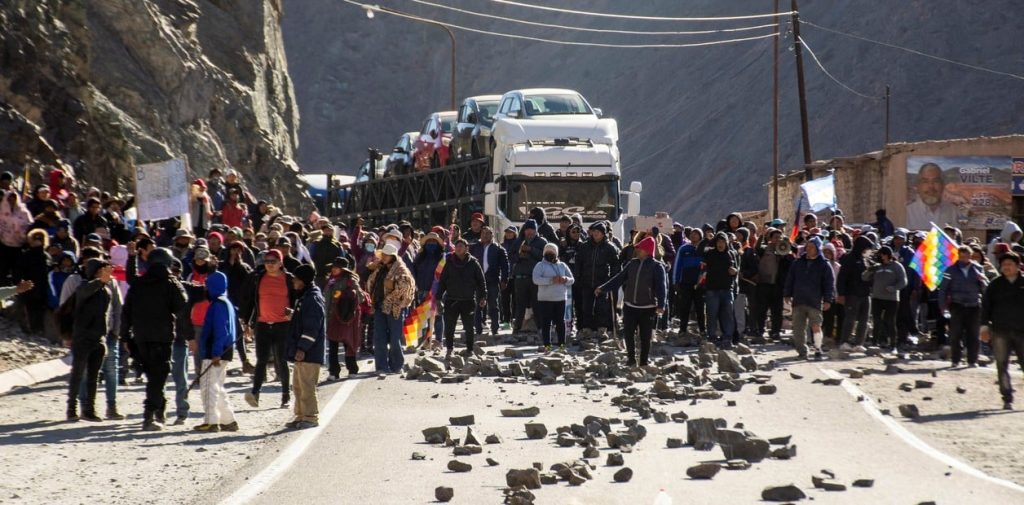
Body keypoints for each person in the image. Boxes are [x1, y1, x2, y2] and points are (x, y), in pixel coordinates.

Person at [123, 247, 188, 430]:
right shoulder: (170, 283)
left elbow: (126, 312)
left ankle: (159, 410)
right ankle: (149, 416)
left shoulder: (138, 283)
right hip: (162, 338)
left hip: (141, 338)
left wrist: (125, 336)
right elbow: (182, 306)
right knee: (158, 377)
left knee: (153, 376)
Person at [595, 236, 667, 366]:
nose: (637, 250)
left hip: (648, 307)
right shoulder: (632, 263)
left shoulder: (657, 266)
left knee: (645, 337)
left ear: (647, 250)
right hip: (629, 306)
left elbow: (662, 287)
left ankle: (644, 361)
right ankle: (631, 359)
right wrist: (603, 288)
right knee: (628, 334)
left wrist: (661, 305)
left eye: (640, 248)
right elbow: (619, 279)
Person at [241, 249, 296, 409]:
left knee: (282, 361)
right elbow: (250, 301)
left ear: (280, 263)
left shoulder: (289, 279)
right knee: (261, 360)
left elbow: (296, 300)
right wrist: (247, 323)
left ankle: (286, 395)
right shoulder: (258, 278)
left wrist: (293, 313)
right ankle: (255, 393)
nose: (270, 264)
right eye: (267, 261)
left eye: (273, 261)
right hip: (262, 324)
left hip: (282, 325)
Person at [65, 259, 114, 422]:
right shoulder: (84, 287)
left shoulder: (106, 290)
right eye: (101, 271)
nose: (105, 274)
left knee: (94, 377)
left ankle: (89, 410)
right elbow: (85, 292)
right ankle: (71, 408)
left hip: (99, 339)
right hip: (82, 338)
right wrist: (100, 281)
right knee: (77, 374)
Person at [191, 271, 239, 433]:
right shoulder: (226, 302)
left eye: (207, 285)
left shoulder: (218, 304)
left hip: (215, 352)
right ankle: (228, 420)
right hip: (225, 350)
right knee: (217, 386)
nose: (205, 288)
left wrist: (215, 352)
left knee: (208, 387)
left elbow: (221, 330)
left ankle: (211, 421)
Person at [980, 252, 1024, 410]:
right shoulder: (995, 285)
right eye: (1004, 265)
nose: (1006, 267)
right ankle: (1007, 397)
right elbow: (986, 307)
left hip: (1022, 331)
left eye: (1009, 264)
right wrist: (984, 326)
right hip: (1000, 331)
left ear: (1017, 266)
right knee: (1002, 365)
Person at [285, 264, 326, 429]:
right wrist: (294, 315)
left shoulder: (312, 298)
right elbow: (304, 320)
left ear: (303, 280)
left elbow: (312, 327)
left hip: (309, 352)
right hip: (302, 351)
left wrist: (302, 348)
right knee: (298, 385)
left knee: (307, 385)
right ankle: (300, 415)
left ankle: (310, 417)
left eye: (296, 278)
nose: (293, 281)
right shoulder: (305, 296)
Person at [366, 243, 416, 374]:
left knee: (395, 338)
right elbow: (372, 283)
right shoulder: (380, 268)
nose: (382, 257)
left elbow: (403, 289)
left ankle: (396, 365)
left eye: (385, 255)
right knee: (379, 337)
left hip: (394, 309)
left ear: (392, 256)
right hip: (378, 306)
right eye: (382, 254)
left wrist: (388, 300)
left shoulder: (401, 270)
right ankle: (381, 366)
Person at [783, 237, 836, 359]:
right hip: (799, 300)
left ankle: (818, 348)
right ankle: (802, 351)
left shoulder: (824, 265)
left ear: (818, 248)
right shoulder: (797, 263)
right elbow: (790, 279)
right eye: (808, 246)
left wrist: (828, 300)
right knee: (798, 328)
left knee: (816, 326)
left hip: (815, 301)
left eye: (812, 247)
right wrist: (787, 294)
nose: (809, 249)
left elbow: (829, 284)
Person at [939, 245, 988, 367]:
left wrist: (983, 280)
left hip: (974, 305)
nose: (964, 258)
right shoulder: (950, 270)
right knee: (955, 334)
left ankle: (972, 360)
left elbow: (985, 288)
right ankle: (955, 360)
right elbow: (943, 290)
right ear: (958, 256)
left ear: (970, 256)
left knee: (973, 335)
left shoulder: (978, 269)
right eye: (962, 256)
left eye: (966, 256)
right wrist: (942, 306)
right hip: (957, 305)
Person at [437, 239, 486, 360]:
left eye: (461, 246)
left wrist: (483, 296)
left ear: (466, 248)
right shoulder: (449, 262)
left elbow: (481, 281)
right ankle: (449, 349)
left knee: (469, 327)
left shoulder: (474, 263)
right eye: (457, 246)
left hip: (468, 300)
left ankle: (469, 349)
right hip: (451, 299)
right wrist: (438, 299)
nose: (458, 248)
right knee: (450, 327)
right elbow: (442, 281)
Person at [575, 222, 619, 337]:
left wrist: (611, 281)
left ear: (603, 233)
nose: (595, 234)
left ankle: (602, 329)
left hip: (603, 282)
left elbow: (615, 265)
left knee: (602, 307)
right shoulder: (585, 246)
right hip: (586, 281)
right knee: (586, 306)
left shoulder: (610, 247)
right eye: (594, 231)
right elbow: (579, 263)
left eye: (598, 232)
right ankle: (587, 328)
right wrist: (578, 277)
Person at [863, 246, 908, 352]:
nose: (880, 257)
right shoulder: (877, 266)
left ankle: (893, 345)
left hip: (891, 299)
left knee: (890, 321)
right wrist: (869, 270)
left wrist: (894, 288)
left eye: (882, 254)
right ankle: (875, 343)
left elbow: (903, 281)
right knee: (876, 321)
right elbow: (864, 277)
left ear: (887, 255)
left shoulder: (897, 266)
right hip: (877, 298)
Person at [325, 257, 364, 379]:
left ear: (344, 269)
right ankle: (333, 372)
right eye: (333, 267)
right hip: (332, 318)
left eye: (337, 267)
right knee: (332, 345)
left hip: (347, 318)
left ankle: (352, 370)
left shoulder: (350, 280)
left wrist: (346, 296)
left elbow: (361, 297)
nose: (333, 269)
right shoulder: (330, 281)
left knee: (349, 344)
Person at [533, 243, 574, 352]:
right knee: (546, 324)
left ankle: (562, 346)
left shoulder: (562, 265)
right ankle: (547, 346)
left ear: (556, 253)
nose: (550, 254)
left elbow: (572, 279)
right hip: (545, 299)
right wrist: (551, 280)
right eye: (547, 252)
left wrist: (565, 279)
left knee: (560, 323)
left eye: (552, 252)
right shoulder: (540, 265)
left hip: (560, 298)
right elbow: (536, 279)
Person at [470, 226, 508, 337]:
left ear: (492, 235)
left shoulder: (498, 249)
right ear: (480, 235)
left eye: (488, 233)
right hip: (478, 281)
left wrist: (504, 280)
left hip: (493, 280)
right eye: (483, 233)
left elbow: (505, 266)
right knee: (478, 305)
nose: (485, 235)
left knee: (493, 305)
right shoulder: (475, 248)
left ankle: (495, 329)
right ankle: (478, 329)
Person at [702, 232, 738, 348]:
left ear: (727, 243)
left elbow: (736, 270)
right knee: (712, 314)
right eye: (718, 242)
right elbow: (702, 260)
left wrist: (734, 272)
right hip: (712, 289)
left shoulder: (731, 254)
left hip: (727, 289)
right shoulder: (710, 254)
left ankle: (727, 337)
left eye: (723, 242)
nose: (720, 244)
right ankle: (712, 337)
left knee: (727, 314)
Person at [511, 220, 547, 333]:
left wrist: (531, 250)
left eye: (532, 230)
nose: (529, 232)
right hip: (520, 277)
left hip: (535, 278)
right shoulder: (518, 241)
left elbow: (545, 257)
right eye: (527, 230)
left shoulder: (542, 242)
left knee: (537, 304)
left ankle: (540, 328)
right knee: (519, 304)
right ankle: (517, 328)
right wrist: (519, 256)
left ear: (536, 230)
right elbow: (511, 256)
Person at [906, 164, 959, 230]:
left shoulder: (954, 212)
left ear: (943, 185)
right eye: (925, 182)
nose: (931, 186)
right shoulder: (907, 213)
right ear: (918, 186)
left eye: (936, 181)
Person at [311, 218, 343, 288]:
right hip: (319, 275)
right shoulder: (316, 243)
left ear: (333, 231)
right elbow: (311, 257)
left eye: (330, 230)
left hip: (334, 274)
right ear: (322, 231)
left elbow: (342, 259)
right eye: (325, 230)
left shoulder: (338, 245)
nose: (328, 231)